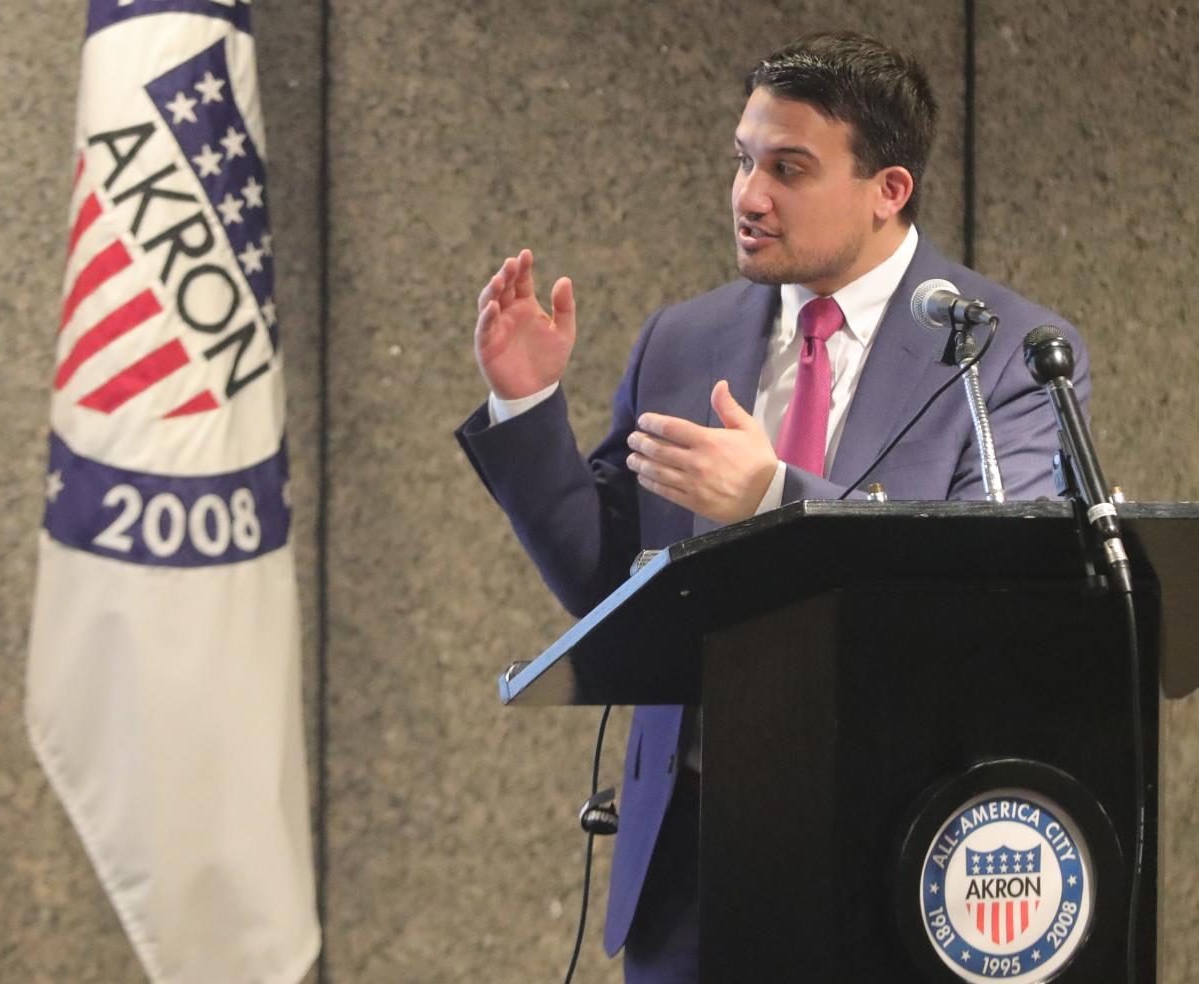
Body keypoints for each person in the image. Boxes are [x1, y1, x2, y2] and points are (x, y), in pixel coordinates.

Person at [456, 31, 1089, 982]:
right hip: (692, 859)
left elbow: (993, 595)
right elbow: (605, 580)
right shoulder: (685, 335)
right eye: (744, 161)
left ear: (889, 190)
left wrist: (775, 497)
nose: (749, 196)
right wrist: (527, 403)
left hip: (900, 845)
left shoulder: (1005, 350)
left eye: (789, 168)